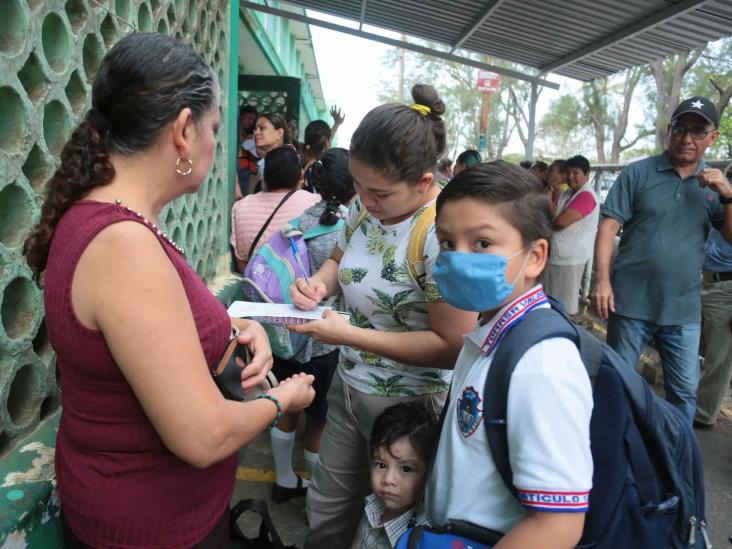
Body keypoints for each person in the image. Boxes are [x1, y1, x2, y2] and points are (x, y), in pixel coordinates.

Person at [21, 33, 315, 549]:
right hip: (151, 526)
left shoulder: (112, 223)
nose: (215, 144)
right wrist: (282, 398)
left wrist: (236, 326)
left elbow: (151, 333)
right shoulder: (122, 245)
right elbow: (202, 437)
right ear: (183, 130)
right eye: (215, 130)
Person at [288, 83, 477, 548]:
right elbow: (337, 261)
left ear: (424, 184)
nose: (365, 200)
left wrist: (349, 336)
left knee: (388, 527)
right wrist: (319, 285)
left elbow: (453, 345)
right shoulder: (364, 209)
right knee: (327, 507)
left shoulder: (440, 234)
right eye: (357, 185)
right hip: (349, 391)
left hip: (409, 411)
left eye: (380, 192)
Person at [426, 161, 592, 548]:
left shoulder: (541, 365)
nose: (458, 257)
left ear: (534, 257)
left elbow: (557, 526)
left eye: (482, 243)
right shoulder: (491, 330)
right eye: (447, 243)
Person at [591, 96, 732, 423]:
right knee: (617, 383)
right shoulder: (638, 173)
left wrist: (727, 194)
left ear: (713, 137)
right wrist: (602, 281)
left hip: (683, 310)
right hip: (629, 303)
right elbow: (608, 225)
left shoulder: (713, 187)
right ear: (669, 131)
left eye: (698, 131)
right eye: (681, 129)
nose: (687, 138)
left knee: (684, 392)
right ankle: (615, 452)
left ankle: (673, 460)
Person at [269, 147, 357, 503]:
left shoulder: (299, 221)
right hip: (326, 343)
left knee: (287, 407)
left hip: (287, 336)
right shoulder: (351, 228)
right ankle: (315, 499)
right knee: (319, 421)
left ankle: (284, 479)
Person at [352, 402, 436, 549]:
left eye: (406, 469)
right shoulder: (373, 504)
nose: (388, 480)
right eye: (381, 465)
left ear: (429, 471)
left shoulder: (424, 537)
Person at [230, 145, 320, 272]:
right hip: (297, 287)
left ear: (265, 177)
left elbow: (241, 263)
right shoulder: (315, 203)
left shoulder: (241, 206)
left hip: (253, 286)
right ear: (301, 176)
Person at [695, 163, 732, 428]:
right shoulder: (719, 198)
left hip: (726, 286)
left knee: (718, 358)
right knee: (706, 351)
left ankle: (702, 414)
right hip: (706, 280)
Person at [543, 155, 599, 316]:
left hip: (570, 260)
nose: (570, 177)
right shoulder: (569, 193)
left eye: (576, 173)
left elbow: (560, 221)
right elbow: (552, 212)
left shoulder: (586, 195)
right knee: (553, 302)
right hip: (559, 258)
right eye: (568, 173)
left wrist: (550, 222)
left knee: (566, 305)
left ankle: (569, 336)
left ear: (586, 175)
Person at [251, 112, 291, 193]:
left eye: (262, 128)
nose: (256, 133)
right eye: (255, 129)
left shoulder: (288, 163)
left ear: (279, 133)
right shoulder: (264, 163)